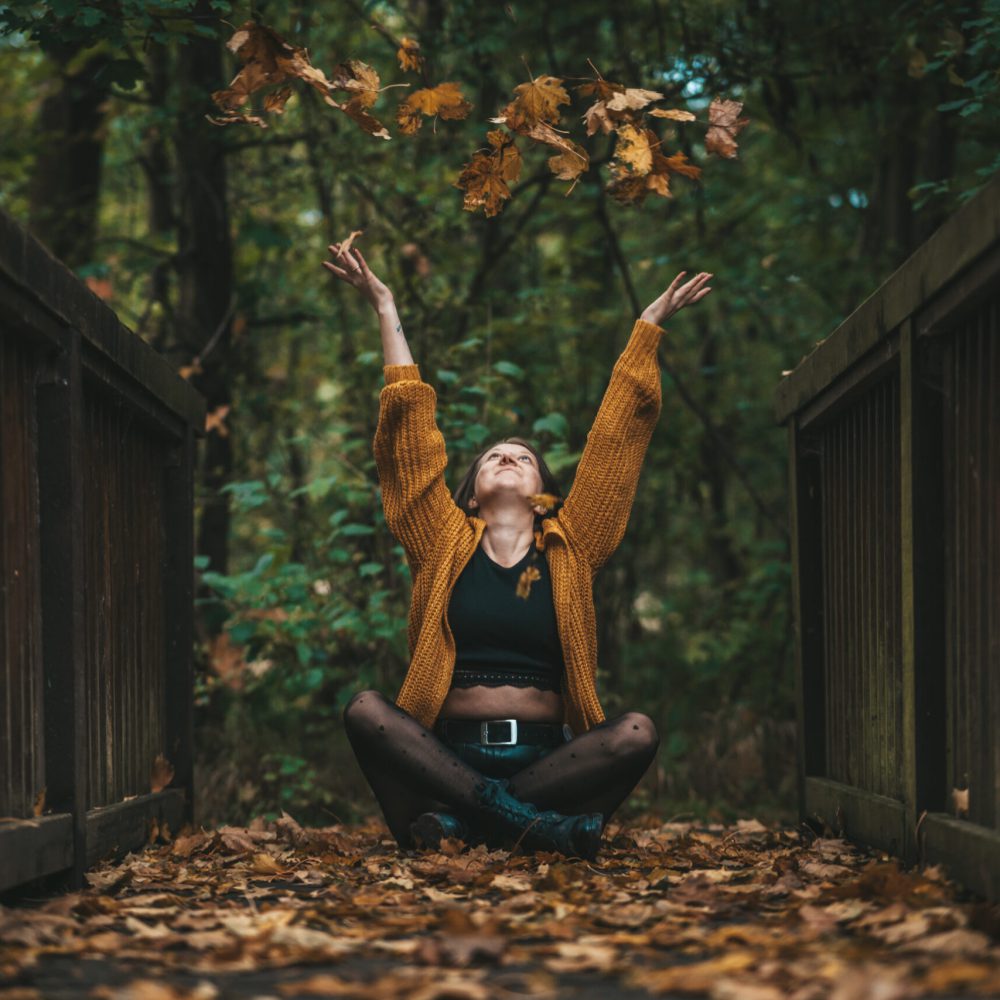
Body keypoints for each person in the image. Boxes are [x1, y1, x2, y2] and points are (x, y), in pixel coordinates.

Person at [323, 243, 712, 860]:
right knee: (366, 710)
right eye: (494, 457)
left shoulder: (574, 544)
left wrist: (647, 332)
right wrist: (384, 304)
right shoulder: (441, 538)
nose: (508, 458)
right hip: (438, 763)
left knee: (636, 732)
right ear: (470, 497)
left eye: (524, 458)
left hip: (548, 764)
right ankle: (523, 824)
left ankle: (471, 822)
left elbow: (615, 443)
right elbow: (409, 442)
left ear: (544, 494)